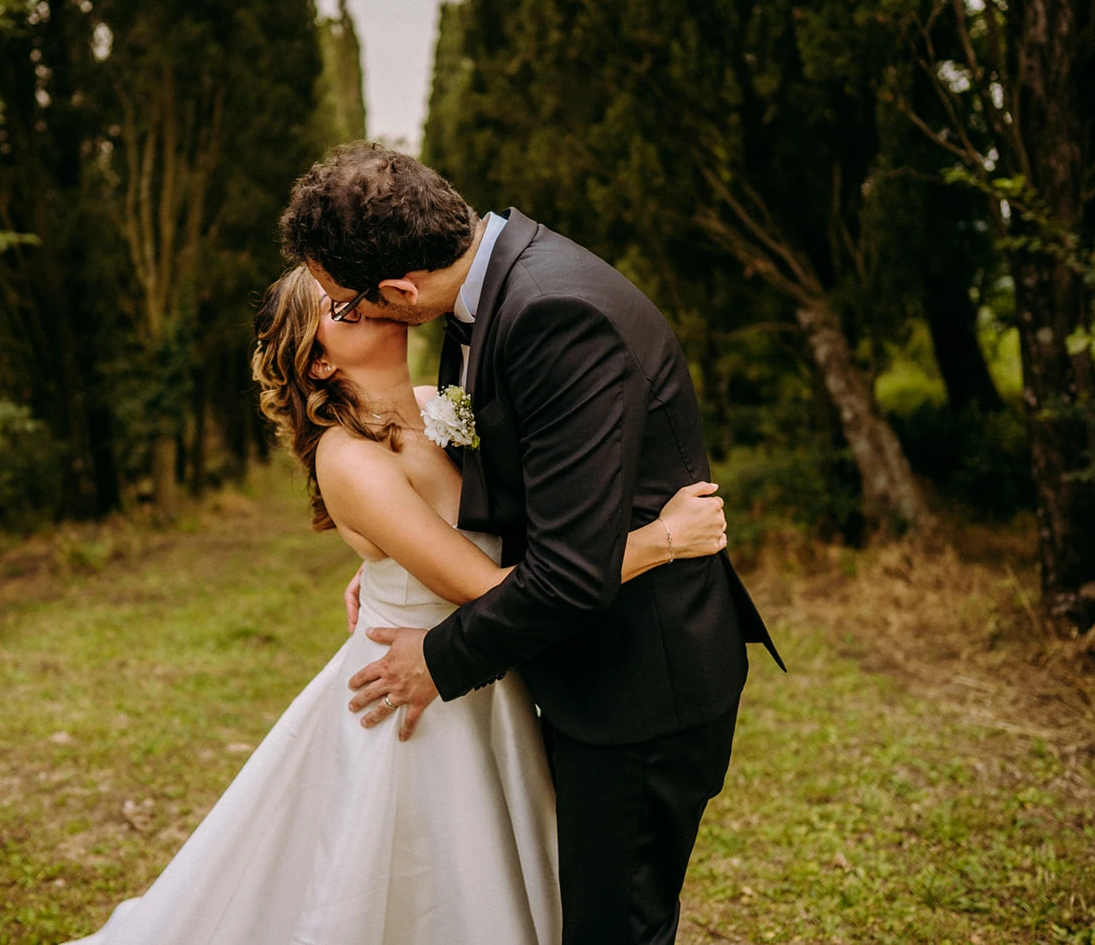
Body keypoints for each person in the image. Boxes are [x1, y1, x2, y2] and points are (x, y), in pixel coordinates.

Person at [62, 265, 732, 945]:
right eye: (334, 304)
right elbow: (493, 587)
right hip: (418, 696)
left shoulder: (438, 401)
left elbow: (520, 519)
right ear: (316, 360)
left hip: (489, 676)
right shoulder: (347, 459)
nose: (357, 298)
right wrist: (663, 539)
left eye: (355, 286)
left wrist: (380, 565)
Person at [279, 141, 785, 945]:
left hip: (639, 679)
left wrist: (438, 655)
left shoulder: (553, 312)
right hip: (578, 671)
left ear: (401, 289)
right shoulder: (490, 292)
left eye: (351, 301)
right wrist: (399, 562)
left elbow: (568, 575)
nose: (360, 318)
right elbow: (521, 481)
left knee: (611, 928)